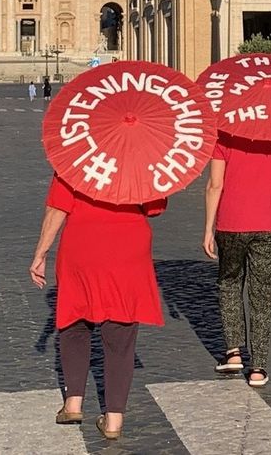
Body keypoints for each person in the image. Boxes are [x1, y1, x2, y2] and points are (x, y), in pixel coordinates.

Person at [31, 175, 165, 441]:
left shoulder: (78, 157)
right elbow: (154, 208)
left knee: (75, 322)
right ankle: (114, 420)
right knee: (121, 335)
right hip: (129, 248)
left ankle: (73, 403)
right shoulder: (143, 163)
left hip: (83, 243)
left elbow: (57, 207)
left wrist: (41, 253)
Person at [203, 132, 271, 387]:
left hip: (231, 223)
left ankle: (234, 352)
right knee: (263, 295)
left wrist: (208, 229)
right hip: (269, 223)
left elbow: (215, 184)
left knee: (230, 282)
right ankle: (258, 366)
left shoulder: (223, 137)